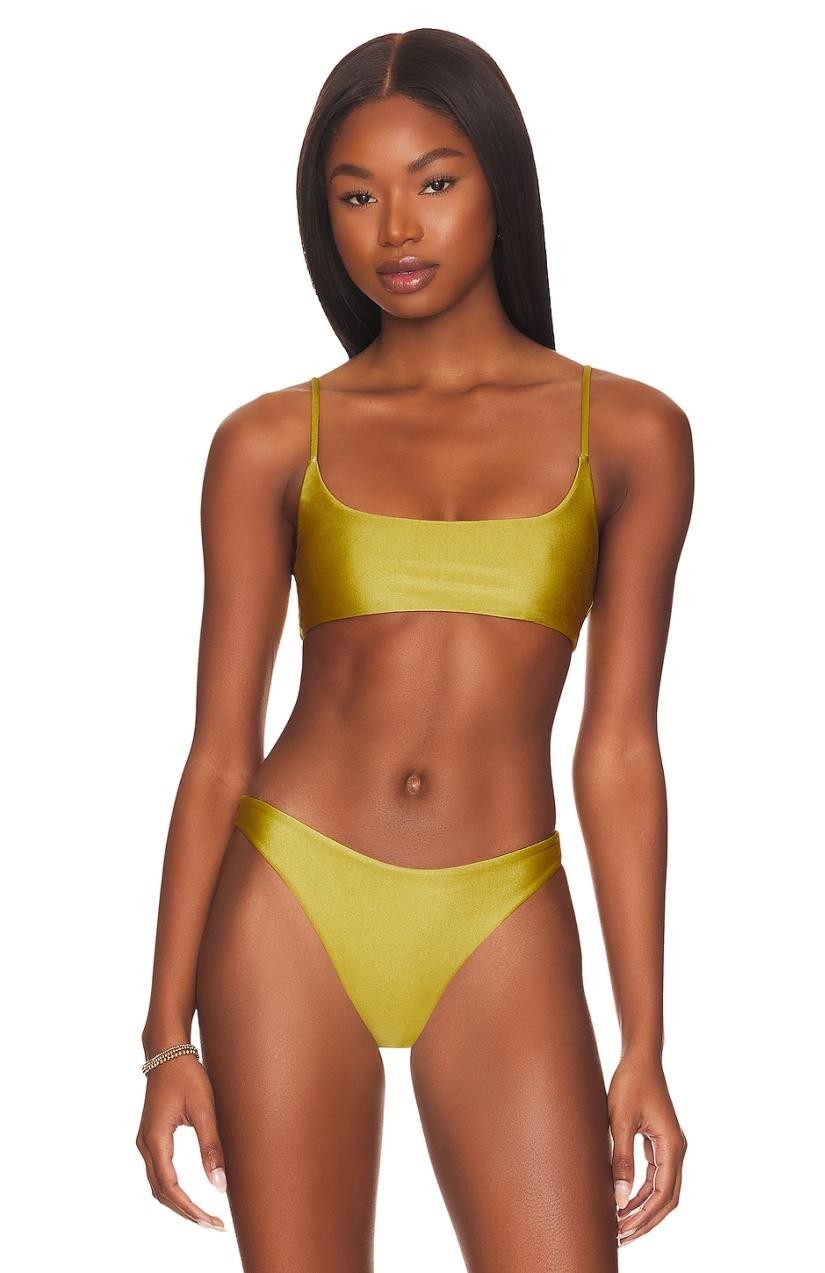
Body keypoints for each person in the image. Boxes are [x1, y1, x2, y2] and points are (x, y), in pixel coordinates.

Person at [136, 27, 692, 1272]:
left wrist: (644, 1040)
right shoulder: (269, 441)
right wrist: (167, 1035)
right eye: (356, 195)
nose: (396, 226)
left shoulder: (633, 434)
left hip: (503, 905)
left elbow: (618, 749)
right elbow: (219, 750)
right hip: (291, 899)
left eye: (434, 181)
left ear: (500, 180)